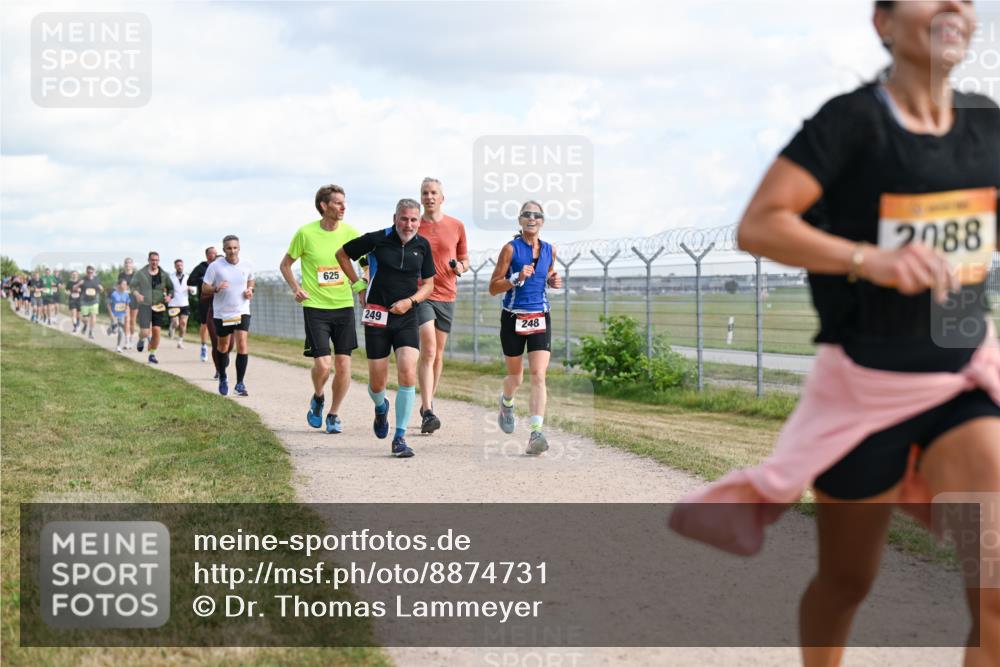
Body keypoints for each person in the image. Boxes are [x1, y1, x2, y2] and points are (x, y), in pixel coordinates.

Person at [675, 3, 999, 664]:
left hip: (962, 378)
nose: (953, 7)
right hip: (864, 388)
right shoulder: (850, 123)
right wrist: (868, 258)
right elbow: (760, 224)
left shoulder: (985, 123)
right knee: (849, 578)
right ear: (883, 22)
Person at [336, 198, 436, 458]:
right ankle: (381, 408)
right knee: (377, 382)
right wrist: (359, 285)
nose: (409, 224)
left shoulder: (422, 246)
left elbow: (428, 285)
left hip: (406, 316)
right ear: (395, 218)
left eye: (414, 220)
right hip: (377, 316)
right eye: (404, 219)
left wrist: (410, 302)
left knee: (407, 370)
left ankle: (400, 436)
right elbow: (342, 254)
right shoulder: (378, 239)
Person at [280, 184, 363, 433]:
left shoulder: (351, 233)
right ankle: (318, 396)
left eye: (344, 202)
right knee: (324, 365)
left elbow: (365, 261)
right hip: (315, 306)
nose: (343, 207)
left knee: (344, 365)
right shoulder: (305, 233)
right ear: (324, 206)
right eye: (338, 203)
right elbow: (285, 265)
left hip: (344, 306)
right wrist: (296, 288)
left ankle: (334, 415)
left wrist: (363, 285)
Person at [488, 201, 562, 456]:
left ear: (542, 221)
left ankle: (535, 433)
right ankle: (506, 402)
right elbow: (493, 287)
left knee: (539, 375)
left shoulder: (550, 250)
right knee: (516, 377)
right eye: (527, 215)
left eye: (537, 215)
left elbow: (547, 276)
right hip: (513, 318)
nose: (532, 218)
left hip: (540, 316)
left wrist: (553, 280)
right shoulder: (510, 249)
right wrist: (515, 278)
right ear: (520, 220)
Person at [414, 177, 470, 435]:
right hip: (421, 293)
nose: (429, 197)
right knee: (428, 349)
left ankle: (429, 402)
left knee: (438, 354)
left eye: (433, 192)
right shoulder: (414, 224)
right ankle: (427, 410)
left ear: (442, 197)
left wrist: (460, 267)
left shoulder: (456, 225)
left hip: (447, 294)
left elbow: (464, 258)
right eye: (425, 193)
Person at [202, 235, 255, 396]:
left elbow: (251, 280)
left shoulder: (247, 264)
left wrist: (249, 290)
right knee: (223, 346)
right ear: (224, 249)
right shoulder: (215, 266)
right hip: (223, 313)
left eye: (235, 248)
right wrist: (216, 288)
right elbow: (205, 288)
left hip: (242, 310)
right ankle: (223, 376)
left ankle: (240, 384)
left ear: (239, 248)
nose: (232, 251)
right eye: (229, 248)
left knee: (242, 344)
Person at [130, 251, 173, 364]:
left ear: (159, 261)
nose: (154, 262)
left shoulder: (164, 275)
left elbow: (171, 288)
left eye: (156, 260)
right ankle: (141, 339)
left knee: (156, 331)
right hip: (145, 305)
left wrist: (169, 296)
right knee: (144, 332)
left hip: (158, 306)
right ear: (148, 260)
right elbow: (132, 286)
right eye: (152, 260)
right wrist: (137, 295)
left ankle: (152, 354)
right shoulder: (141, 273)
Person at [188, 246, 219, 363]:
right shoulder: (201, 267)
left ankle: (221, 350)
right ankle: (204, 346)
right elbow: (190, 281)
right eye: (212, 253)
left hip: (218, 300)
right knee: (205, 324)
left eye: (216, 253)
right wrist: (202, 280)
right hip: (205, 299)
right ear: (207, 255)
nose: (214, 255)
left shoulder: (220, 266)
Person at [167, 258, 191, 348]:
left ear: (183, 266)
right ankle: (172, 327)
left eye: (181, 265)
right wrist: (167, 295)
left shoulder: (188, 277)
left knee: (183, 323)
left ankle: (180, 342)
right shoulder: (170, 277)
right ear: (175, 267)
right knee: (175, 323)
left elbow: (194, 290)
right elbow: (166, 288)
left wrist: (191, 289)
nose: (180, 267)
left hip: (184, 303)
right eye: (178, 266)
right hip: (173, 303)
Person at [77, 265, 104, 340]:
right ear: (86, 272)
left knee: (93, 315)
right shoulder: (82, 279)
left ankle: (91, 332)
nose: (90, 273)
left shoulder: (97, 279)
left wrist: (101, 289)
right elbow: (75, 288)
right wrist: (79, 285)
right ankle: (85, 325)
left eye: (91, 272)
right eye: (88, 272)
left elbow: (101, 289)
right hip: (84, 301)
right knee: (84, 318)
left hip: (94, 301)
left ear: (94, 272)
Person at [107, 279, 132, 352]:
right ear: (118, 285)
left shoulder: (126, 294)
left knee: (121, 331)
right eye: (123, 284)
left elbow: (127, 304)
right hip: (114, 314)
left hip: (122, 315)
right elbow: (108, 305)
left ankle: (118, 346)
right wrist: (111, 314)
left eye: (126, 284)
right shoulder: (113, 294)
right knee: (114, 330)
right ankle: (111, 328)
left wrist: (126, 311)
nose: (125, 286)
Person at [118, 257, 137, 349]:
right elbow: (118, 286)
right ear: (124, 264)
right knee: (126, 320)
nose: (128, 264)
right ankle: (126, 341)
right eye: (126, 263)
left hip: (134, 300)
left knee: (133, 321)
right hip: (124, 300)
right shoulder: (121, 275)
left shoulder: (136, 275)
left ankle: (132, 340)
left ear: (132, 264)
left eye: (129, 263)